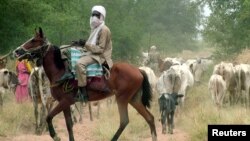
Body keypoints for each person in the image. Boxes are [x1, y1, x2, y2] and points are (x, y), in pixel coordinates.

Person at [59, 5, 113, 99]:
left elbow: (100, 49)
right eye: (93, 14)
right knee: (63, 49)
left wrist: (85, 44)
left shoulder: (104, 29)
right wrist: (79, 43)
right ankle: (67, 72)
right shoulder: (94, 28)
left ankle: (82, 91)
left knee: (79, 64)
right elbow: (89, 44)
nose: (94, 17)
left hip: (99, 56)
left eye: (96, 15)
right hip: (89, 51)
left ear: (102, 16)